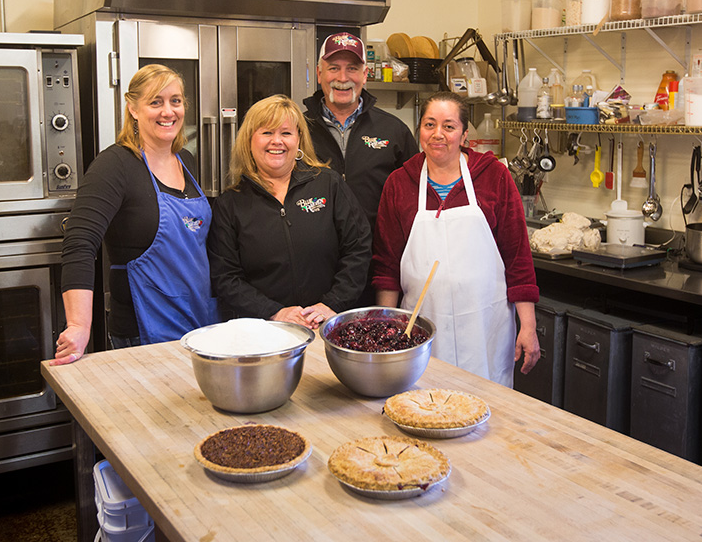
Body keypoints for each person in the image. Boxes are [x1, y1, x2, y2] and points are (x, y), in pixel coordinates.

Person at [372, 91, 540, 386]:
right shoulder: (399, 183)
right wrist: (388, 323)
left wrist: (528, 325)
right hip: (422, 323)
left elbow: (518, 258)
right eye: (429, 124)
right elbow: (387, 266)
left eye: (449, 126)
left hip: (486, 324)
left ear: (464, 134)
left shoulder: (494, 177)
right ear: (419, 130)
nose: (438, 134)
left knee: (487, 406)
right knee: (424, 404)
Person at [53, 64, 218, 365]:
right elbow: (79, 243)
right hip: (143, 332)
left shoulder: (186, 161)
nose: (168, 111)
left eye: (175, 101)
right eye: (156, 102)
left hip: (199, 323)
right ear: (132, 108)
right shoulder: (115, 165)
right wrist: (78, 325)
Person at [208, 94, 371, 329]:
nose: (277, 141)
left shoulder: (328, 184)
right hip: (264, 331)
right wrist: (274, 312)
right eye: (266, 133)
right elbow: (226, 277)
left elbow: (358, 248)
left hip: (327, 326)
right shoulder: (230, 204)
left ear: (298, 140)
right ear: (249, 140)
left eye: (286, 133)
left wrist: (331, 304)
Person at [303, 32, 420, 231]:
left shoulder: (394, 131)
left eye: (352, 69)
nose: (342, 78)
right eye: (333, 68)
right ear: (319, 73)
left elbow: (415, 198)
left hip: (377, 254)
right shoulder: (295, 130)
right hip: (313, 257)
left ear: (365, 75)